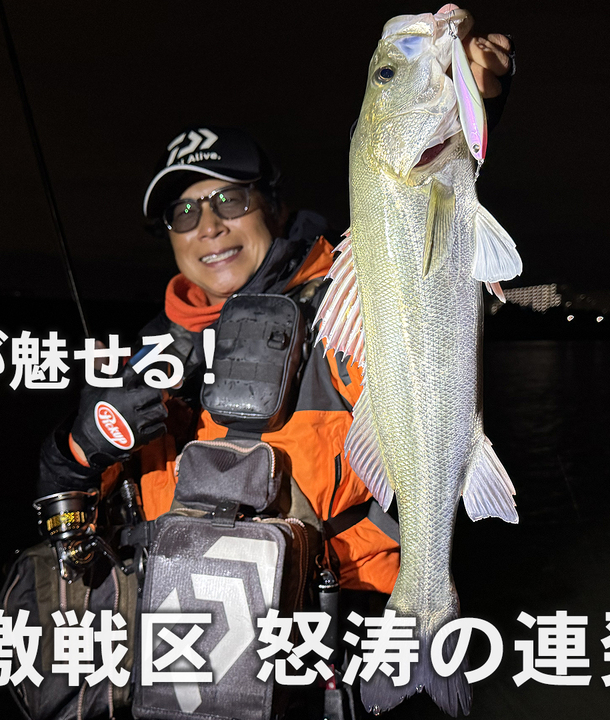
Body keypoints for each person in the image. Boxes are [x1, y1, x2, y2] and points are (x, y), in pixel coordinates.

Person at [34, 8, 515, 595]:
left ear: (274, 208)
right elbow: (74, 530)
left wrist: (465, 111)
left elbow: (425, 283)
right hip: (183, 636)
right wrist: (75, 450)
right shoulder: (150, 354)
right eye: (182, 212)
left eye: (230, 200)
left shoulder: (338, 304)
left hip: (336, 627)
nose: (208, 226)